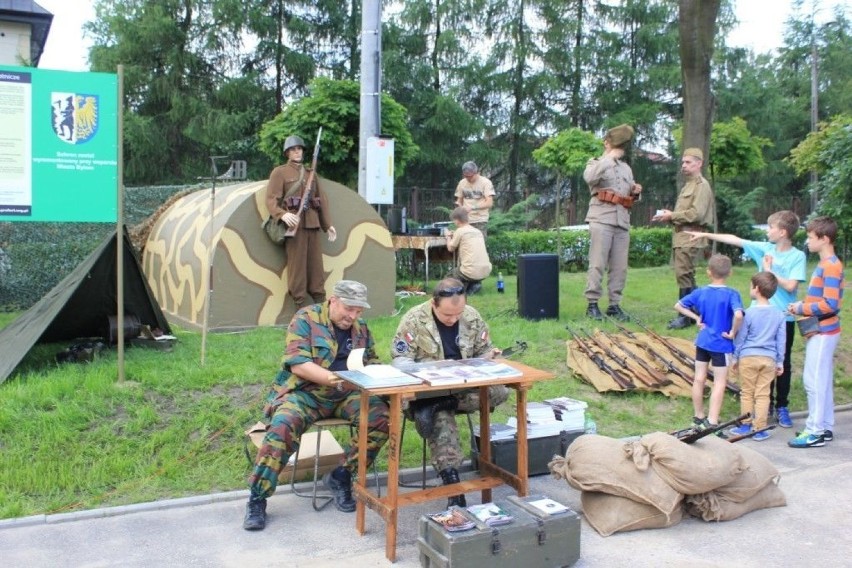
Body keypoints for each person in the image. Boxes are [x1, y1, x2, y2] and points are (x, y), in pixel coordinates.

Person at [243, 280, 390, 530]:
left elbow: (371, 360)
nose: (353, 316)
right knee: (282, 427)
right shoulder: (306, 319)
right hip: (306, 393)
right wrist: (337, 379)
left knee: (382, 419)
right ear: (333, 300)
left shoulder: (361, 328)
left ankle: (341, 475)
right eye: (348, 309)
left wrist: (379, 374)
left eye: (358, 311)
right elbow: (299, 363)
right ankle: (258, 497)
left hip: (347, 394)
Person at [390, 278, 508, 507]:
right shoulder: (414, 319)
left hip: (463, 385)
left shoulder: (471, 316)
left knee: (500, 392)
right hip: (426, 392)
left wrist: (490, 357)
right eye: (447, 316)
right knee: (439, 418)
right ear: (434, 304)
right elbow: (400, 359)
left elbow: (483, 349)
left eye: (458, 314)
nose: (454, 319)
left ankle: (446, 403)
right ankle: (453, 486)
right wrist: (426, 373)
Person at [685, 210, 806, 428]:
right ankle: (763, 405)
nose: (767, 231)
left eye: (771, 227)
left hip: (782, 318)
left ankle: (782, 406)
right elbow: (735, 240)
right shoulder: (765, 248)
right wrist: (706, 236)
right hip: (756, 316)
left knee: (782, 362)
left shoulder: (797, 256)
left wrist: (770, 270)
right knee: (756, 358)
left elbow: (790, 286)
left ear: (783, 232)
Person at [787, 216, 844, 449]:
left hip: (824, 331)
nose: (807, 242)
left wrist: (801, 307)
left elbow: (831, 304)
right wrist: (804, 304)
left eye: (811, 238)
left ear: (825, 239)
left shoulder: (830, 266)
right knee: (823, 380)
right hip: (824, 330)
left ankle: (815, 431)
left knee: (814, 381)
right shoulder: (825, 264)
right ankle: (825, 426)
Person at [265, 134, 337, 307]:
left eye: (299, 149)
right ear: (287, 153)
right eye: (293, 150)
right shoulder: (280, 172)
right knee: (297, 270)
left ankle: (321, 309)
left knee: (316, 269)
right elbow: (271, 200)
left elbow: (321, 200)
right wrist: (282, 214)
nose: (297, 152)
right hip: (294, 227)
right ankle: (300, 310)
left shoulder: (311, 174)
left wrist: (327, 225)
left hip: (312, 225)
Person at [674, 253, 744, 432]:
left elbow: (679, 305)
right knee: (720, 382)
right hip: (721, 344)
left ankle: (698, 416)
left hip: (703, 341)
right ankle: (712, 421)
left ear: (709, 272)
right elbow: (738, 314)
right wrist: (733, 332)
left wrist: (696, 318)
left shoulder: (700, 292)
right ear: (730, 273)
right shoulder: (732, 294)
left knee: (699, 378)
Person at [582, 124, 643, 321]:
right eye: (618, 146)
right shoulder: (596, 162)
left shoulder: (626, 168)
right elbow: (590, 178)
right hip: (601, 218)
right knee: (597, 263)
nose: (621, 150)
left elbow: (629, 196)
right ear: (606, 143)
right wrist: (609, 157)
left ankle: (614, 305)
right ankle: (592, 304)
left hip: (622, 221)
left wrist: (636, 193)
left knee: (620, 267)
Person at [652, 147, 716, 329]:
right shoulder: (689, 185)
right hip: (682, 234)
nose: (684, 166)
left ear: (699, 163)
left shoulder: (701, 186)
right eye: (683, 162)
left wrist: (671, 216)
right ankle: (695, 312)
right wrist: (669, 216)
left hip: (691, 234)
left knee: (684, 274)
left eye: (688, 162)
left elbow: (696, 213)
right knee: (685, 275)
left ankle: (685, 315)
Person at [728, 272, 787, 441]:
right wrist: (780, 361)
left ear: (757, 289)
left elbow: (741, 338)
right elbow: (781, 340)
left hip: (748, 357)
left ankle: (745, 425)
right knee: (763, 394)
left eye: (751, 286)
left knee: (747, 392)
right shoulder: (779, 314)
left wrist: (735, 357)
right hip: (769, 359)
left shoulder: (749, 313)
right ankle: (759, 429)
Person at [445, 207, 492, 295]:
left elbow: (450, 248)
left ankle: (465, 289)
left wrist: (448, 236)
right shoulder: (477, 231)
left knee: (448, 279)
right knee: (465, 274)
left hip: (469, 271)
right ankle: (475, 283)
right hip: (485, 270)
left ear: (457, 220)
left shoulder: (460, 231)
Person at [454, 161, 496, 237]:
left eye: (470, 176)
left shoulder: (486, 182)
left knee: (479, 245)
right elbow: (459, 200)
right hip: (464, 221)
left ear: (477, 173)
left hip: (480, 220)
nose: (468, 179)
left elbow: (489, 203)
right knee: (465, 245)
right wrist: (459, 207)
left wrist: (473, 208)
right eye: (466, 176)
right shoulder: (462, 183)